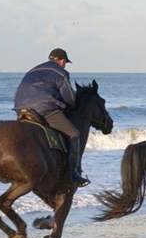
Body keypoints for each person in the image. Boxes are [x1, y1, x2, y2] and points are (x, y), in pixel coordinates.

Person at [14, 48, 89, 187]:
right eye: (65, 62)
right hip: (44, 109)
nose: (65, 65)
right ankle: (73, 173)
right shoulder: (61, 73)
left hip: (20, 108)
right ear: (62, 61)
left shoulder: (33, 70)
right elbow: (70, 99)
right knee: (74, 133)